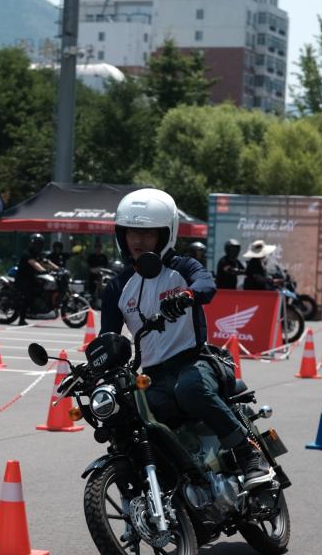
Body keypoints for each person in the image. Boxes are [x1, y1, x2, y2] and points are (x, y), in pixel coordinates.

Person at [100, 188, 274, 489]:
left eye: (148, 233)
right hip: (152, 376)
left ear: (165, 235)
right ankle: (177, 484)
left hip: (193, 362)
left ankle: (249, 454)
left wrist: (187, 296)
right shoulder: (117, 286)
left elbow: (206, 285)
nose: (138, 241)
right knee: (131, 417)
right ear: (121, 235)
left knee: (191, 390)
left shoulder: (182, 268)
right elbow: (108, 336)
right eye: (131, 233)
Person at [14, 233, 57, 326]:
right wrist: (44, 270)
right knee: (28, 296)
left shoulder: (37, 254)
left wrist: (57, 268)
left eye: (39, 244)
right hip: (23, 279)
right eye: (36, 244)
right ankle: (21, 319)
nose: (38, 246)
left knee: (41, 290)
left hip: (32, 278)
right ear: (32, 243)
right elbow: (34, 264)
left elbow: (46, 261)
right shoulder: (27, 253)